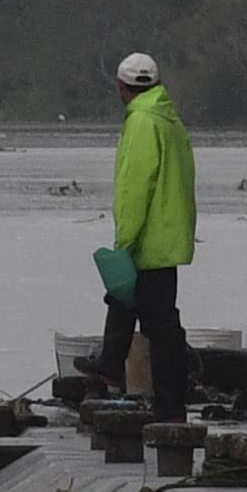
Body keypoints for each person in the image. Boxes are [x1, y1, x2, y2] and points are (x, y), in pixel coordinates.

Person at [96, 50, 196, 421]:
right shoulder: (170, 120)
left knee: (159, 326)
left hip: (148, 241)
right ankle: (110, 367)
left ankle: (169, 407)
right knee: (141, 311)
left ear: (121, 87)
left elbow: (134, 188)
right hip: (170, 237)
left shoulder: (141, 122)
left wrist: (124, 241)